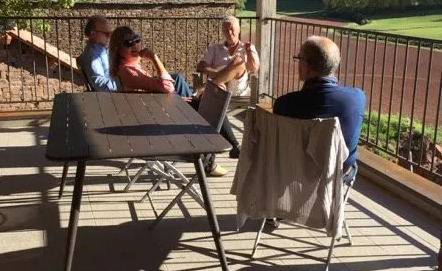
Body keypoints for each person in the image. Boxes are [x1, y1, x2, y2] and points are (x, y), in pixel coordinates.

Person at [108, 25, 229, 177]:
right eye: (128, 43)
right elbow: (167, 87)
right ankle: (215, 158)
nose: (134, 45)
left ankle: (224, 152)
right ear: (118, 50)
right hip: (162, 123)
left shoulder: (128, 67)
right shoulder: (128, 70)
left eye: (136, 40)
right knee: (215, 107)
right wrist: (154, 58)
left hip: (157, 114)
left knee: (212, 100)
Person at [273, 35, 365, 184]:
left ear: (308, 67)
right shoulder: (357, 99)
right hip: (335, 178)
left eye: (299, 58)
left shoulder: (284, 104)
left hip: (295, 177)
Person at [197, 16, 260, 158]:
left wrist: (249, 53)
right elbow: (201, 66)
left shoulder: (247, 48)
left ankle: (206, 87)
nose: (229, 32)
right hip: (219, 90)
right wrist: (219, 73)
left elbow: (254, 69)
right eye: (226, 29)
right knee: (219, 87)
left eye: (232, 29)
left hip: (237, 89)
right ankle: (235, 146)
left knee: (238, 62)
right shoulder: (215, 48)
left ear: (238, 30)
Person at [79, 16, 118, 92]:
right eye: (107, 34)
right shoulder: (92, 54)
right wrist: (122, 85)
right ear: (93, 34)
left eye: (110, 34)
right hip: (110, 97)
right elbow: (98, 82)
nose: (109, 37)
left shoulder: (100, 50)